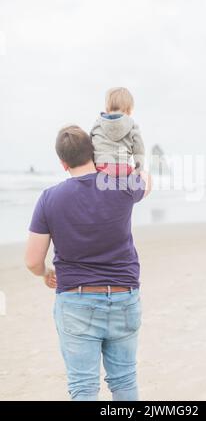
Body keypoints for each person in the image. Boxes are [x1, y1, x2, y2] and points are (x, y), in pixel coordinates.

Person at [25, 125, 151, 401]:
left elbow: (33, 260)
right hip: (123, 296)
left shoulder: (49, 198)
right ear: (93, 153)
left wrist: (46, 273)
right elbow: (146, 180)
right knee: (125, 381)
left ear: (62, 162)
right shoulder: (120, 186)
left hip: (76, 301)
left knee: (83, 388)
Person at [90, 87, 145, 176]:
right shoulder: (132, 126)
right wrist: (138, 171)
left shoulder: (97, 124)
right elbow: (139, 151)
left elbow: (90, 146)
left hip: (100, 168)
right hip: (123, 170)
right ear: (130, 110)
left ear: (107, 108)